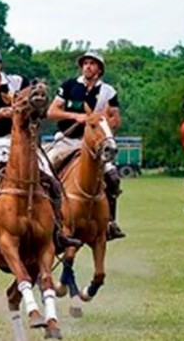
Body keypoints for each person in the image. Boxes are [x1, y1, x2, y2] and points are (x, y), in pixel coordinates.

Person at [0, 45, 81, 251]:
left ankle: (59, 229)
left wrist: (37, 102)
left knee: (50, 178)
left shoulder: (18, 82)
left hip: (26, 140)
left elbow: (36, 108)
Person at [46, 50, 126, 241]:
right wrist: (75, 116)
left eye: (92, 63)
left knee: (113, 178)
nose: (87, 66)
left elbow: (115, 119)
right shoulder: (69, 86)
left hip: (92, 146)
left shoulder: (108, 92)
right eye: (85, 63)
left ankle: (110, 223)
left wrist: (105, 131)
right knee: (45, 171)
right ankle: (49, 218)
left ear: (99, 69)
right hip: (67, 141)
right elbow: (52, 111)